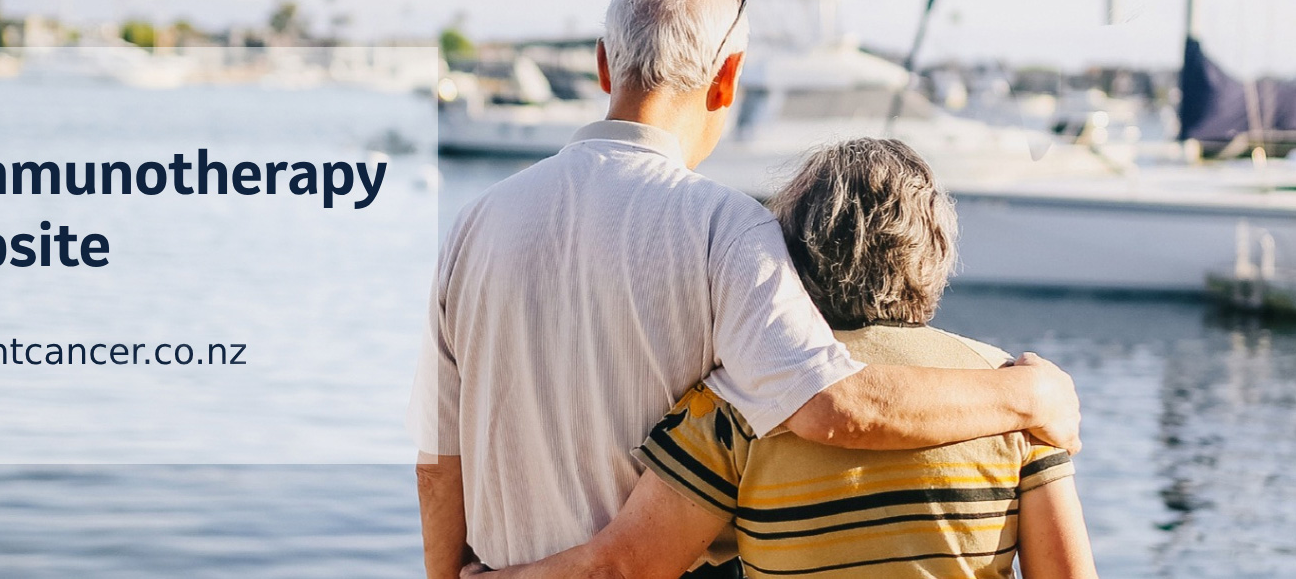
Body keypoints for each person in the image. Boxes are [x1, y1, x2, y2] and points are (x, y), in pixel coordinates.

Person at [412, 0, 1083, 579]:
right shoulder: (724, 228)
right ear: (727, 76)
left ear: (604, 66)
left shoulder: (472, 226)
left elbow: (438, 465)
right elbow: (828, 405)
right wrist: (1029, 396)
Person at [464, 139, 1099, 579]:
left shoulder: (741, 400)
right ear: (935, 255)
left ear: (791, 257)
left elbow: (625, 568)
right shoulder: (1016, 396)